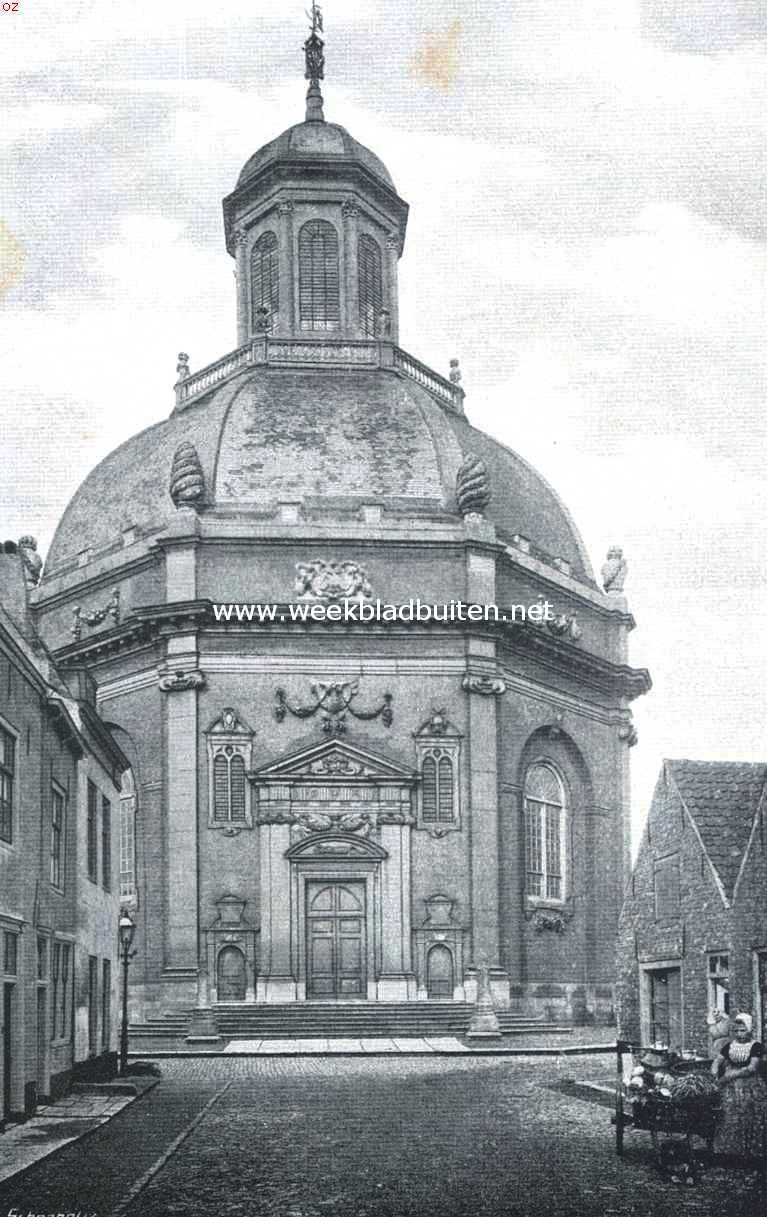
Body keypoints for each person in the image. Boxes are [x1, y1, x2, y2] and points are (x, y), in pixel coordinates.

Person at [711, 1012, 767, 1160]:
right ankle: (731, 1154)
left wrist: (730, 1075)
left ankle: (750, 1154)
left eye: (742, 1030)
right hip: (730, 1088)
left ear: (750, 1030)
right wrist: (715, 1068)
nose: (739, 1034)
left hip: (750, 1085)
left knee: (749, 1115)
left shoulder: (756, 1046)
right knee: (729, 1116)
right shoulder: (730, 1046)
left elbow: (752, 1068)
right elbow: (718, 1060)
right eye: (736, 1031)